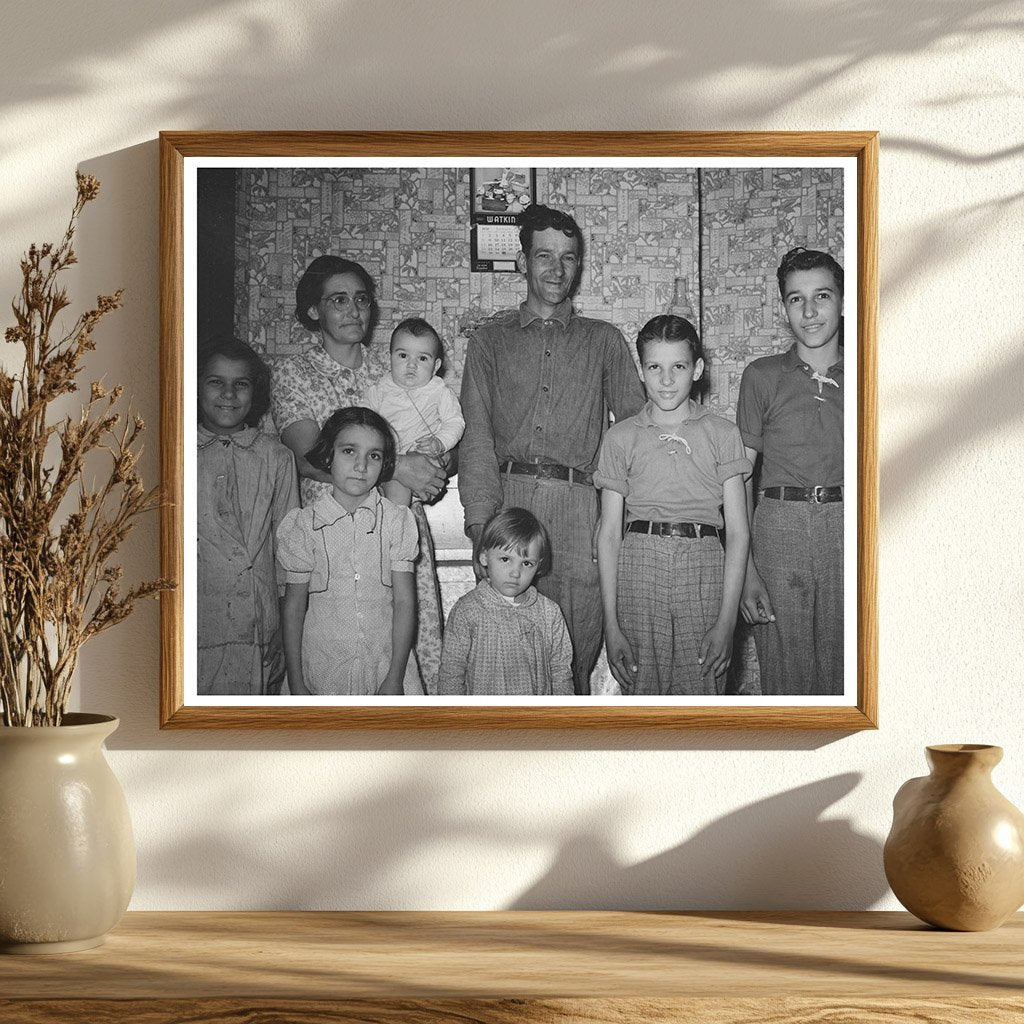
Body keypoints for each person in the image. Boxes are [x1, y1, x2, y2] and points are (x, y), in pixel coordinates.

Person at [459, 204, 645, 694]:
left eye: (568, 258)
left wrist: (617, 520)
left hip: (580, 511)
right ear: (522, 262)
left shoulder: (604, 341)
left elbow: (635, 434)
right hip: (508, 503)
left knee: (572, 665)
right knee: (501, 664)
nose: (556, 269)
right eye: (544, 256)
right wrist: (482, 525)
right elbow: (475, 433)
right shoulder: (489, 342)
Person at [271, 255, 447, 692]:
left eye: (362, 299)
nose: (353, 310)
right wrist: (398, 465)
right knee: (336, 642)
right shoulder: (296, 373)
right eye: (338, 300)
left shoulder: (392, 364)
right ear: (314, 310)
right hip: (328, 529)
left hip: (394, 523)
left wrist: (435, 459)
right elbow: (308, 453)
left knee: (405, 638)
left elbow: (439, 432)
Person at [595, 316, 751, 695]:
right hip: (638, 565)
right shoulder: (620, 438)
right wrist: (610, 625)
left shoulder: (723, 434)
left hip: (704, 565)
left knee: (703, 688)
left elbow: (739, 532)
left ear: (697, 369)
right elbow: (609, 535)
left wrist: (727, 622)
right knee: (642, 690)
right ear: (641, 371)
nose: (666, 380)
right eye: (655, 367)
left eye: (678, 367)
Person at [737, 247, 845, 696]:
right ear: (784, 307)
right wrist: (746, 571)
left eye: (822, 295)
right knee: (786, 679)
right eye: (796, 299)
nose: (810, 310)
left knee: (850, 672)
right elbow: (740, 480)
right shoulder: (762, 376)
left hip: (846, 526)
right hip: (778, 530)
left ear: (842, 300)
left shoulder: (873, 372)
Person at [276, 407, 421, 696]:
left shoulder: (396, 521)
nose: (361, 465)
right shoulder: (304, 526)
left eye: (374, 455)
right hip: (321, 670)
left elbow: (405, 603)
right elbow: (293, 609)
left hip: (385, 667)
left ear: (384, 463)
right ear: (328, 455)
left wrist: (395, 678)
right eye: (349, 451)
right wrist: (295, 681)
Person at [196, 338, 298, 696]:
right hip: (198, 623)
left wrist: (287, 634)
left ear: (256, 392)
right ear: (195, 386)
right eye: (215, 382)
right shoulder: (176, 452)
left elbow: (289, 557)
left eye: (241, 383)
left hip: (259, 625)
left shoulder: (277, 458)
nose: (228, 393)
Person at [437, 508, 573, 696]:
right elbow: (451, 675)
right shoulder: (467, 611)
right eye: (505, 559)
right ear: (484, 557)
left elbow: (561, 675)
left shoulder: (549, 613)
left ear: (539, 565)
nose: (515, 573)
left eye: (526, 563)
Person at [364, 317, 465, 507]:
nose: (412, 365)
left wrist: (440, 442)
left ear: (435, 366)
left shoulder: (439, 391)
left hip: (426, 460)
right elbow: (362, 428)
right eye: (403, 356)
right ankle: (394, 529)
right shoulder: (378, 390)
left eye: (422, 358)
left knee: (400, 493)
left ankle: (397, 527)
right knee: (387, 497)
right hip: (388, 463)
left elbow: (455, 422)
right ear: (390, 358)